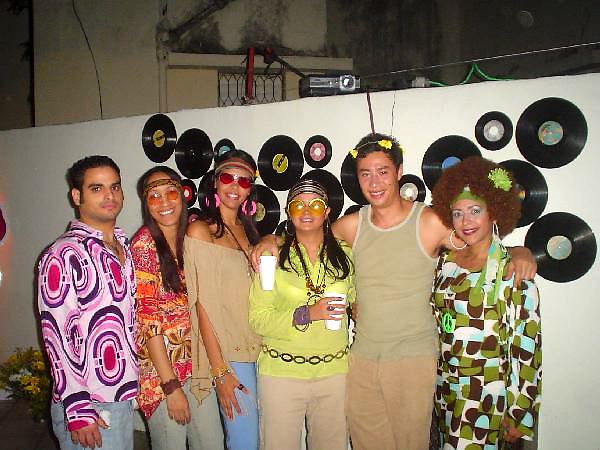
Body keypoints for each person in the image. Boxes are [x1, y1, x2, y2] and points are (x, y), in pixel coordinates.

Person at [251, 133, 537, 450]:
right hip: (360, 359)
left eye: (383, 171)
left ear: (399, 172)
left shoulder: (428, 221)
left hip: (411, 359)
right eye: (365, 173)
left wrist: (519, 251)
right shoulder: (351, 226)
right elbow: (308, 234)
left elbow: (476, 241)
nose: (374, 182)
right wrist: (269, 240)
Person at [430, 156, 542, 449]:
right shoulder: (446, 262)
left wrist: (520, 414)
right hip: (446, 391)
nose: (465, 221)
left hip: (488, 398)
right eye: (457, 213)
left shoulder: (513, 271)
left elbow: (526, 349)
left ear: (494, 211)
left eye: (475, 211)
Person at [37, 156, 138, 450]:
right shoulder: (63, 254)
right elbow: (56, 335)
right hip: (91, 405)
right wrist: (79, 409)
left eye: (115, 187)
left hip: (119, 396)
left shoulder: (124, 247)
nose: (109, 195)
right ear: (76, 196)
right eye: (97, 188)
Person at [249, 179, 355, 450]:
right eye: (298, 205)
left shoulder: (345, 254)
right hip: (282, 374)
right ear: (288, 211)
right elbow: (258, 319)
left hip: (335, 373)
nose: (307, 211)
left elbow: (358, 302)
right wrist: (306, 314)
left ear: (327, 211)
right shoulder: (272, 256)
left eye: (315, 205)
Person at [131, 166, 224, 449]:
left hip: (196, 366)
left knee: (212, 443)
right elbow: (148, 323)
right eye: (154, 196)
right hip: (162, 375)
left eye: (170, 193)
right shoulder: (144, 246)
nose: (164, 202)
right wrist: (171, 387)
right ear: (146, 204)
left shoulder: (190, 237)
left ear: (182, 195)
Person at [184, 149, 261, 450]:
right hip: (231, 356)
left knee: (261, 439)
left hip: (261, 348)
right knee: (244, 442)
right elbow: (201, 305)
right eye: (228, 177)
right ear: (215, 181)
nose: (235, 186)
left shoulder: (249, 232)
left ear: (250, 189)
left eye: (244, 181)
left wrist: (270, 239)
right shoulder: (201, 231)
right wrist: (220, 370)